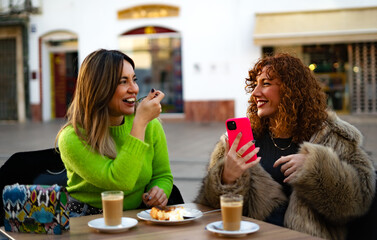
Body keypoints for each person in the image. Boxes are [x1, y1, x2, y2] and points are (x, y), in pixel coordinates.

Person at [195, 53, 376, 239]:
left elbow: (358, 203)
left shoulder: (333, 138)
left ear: (292, 90)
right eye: (255, 84)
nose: (255, 93)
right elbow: (210, 209)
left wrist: (317, 168)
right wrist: (226, 178)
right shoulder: (240, 141)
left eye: (265, 83)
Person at [56, 49, 173, 217]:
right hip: (87, 220)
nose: (134, 89)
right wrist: (139, 123)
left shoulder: (150, 125)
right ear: (99, 88)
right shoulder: (71, 137)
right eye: (123, 81)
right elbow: (119, 182)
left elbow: (163, 175)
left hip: (138, 216)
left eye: (134, 80)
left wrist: (160, 191)